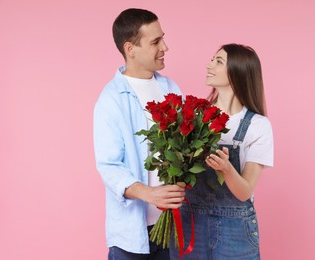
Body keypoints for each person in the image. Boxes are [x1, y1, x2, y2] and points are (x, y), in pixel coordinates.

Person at [93, 8, 185, 260]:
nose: (165, 47)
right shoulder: (111, 99)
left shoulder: (172, 88)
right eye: (155, 42)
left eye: (162, 38)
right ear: (130, 49)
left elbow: (182, 147)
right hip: (131, 237)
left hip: (171, 227)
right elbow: (109, 166)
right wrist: (150, 194)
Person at [170, 44, 274, 259]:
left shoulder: (257, 125)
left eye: (219, 61)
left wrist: (226, 169)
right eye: (212, 59)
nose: (209, 65)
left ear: (238, 71)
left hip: (234, 228)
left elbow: (244, 192)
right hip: (191, 222)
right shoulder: (193, 116)